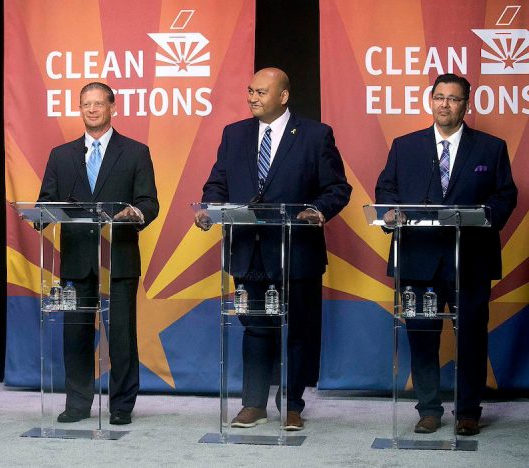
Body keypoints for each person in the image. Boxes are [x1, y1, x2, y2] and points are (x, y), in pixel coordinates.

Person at [196, 68, 351, 430]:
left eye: (261, 92)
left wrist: (318, 210)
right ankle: (253, 404)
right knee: (254, 328)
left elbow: (336, 188)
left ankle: (293, 403)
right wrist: (209, 207)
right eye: (250, 91)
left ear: (283, 96)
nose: (253, 98)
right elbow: (217, 182)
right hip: (248, 251)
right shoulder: (234, 134)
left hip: (297, 252)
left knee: (299, 329)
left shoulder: (315, 135)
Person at [375, 74, 517, 436]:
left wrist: (486, 218)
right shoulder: (405, 146)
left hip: (469, 259)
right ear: (430, 100)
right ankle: (428, 409)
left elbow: (505, 196)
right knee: (421, 336)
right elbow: (386, 189)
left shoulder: (490, 147)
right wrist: (390, 213)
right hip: (417, 260)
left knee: (470, 336)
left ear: (466, 104)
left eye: (453, 99)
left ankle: (468, 411)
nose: (445, 105)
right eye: (439, 97)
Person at [37, 82, 159, 425]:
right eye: (85, 104)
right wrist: (38, 217)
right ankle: (77, 403)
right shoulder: (61, 155)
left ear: (112, 108)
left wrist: (135, 214)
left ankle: (121, 405)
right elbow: (47, 201)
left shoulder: (135, 151)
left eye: (98, 104)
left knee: (120, 335)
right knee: (74, 334)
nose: (91, 110)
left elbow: (150, 202)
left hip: (118, 260)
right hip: (76, 261)